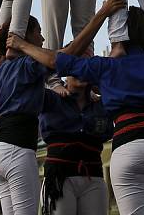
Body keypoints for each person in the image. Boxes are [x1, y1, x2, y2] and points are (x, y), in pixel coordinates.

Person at [9, 6, 144, 215]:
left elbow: (55, 60)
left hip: (130, 145)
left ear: (117, 36)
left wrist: (22, 45)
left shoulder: (106, 67)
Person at [0, 0, 125, 215]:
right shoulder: (30, 70)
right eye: (38, 33)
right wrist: (102, 14)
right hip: (22, 152)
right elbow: (61, 57)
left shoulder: (0, 72)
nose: (42, 40)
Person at [40, 75, 113, 215]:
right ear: (65, 72)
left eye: (85, 67)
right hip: (59, 178)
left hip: (93, 176)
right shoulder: (51, 97)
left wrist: (102, 87)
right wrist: (53, 83)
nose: (81, 72)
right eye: (76, 65)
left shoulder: (101, 105)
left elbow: (108, 132)